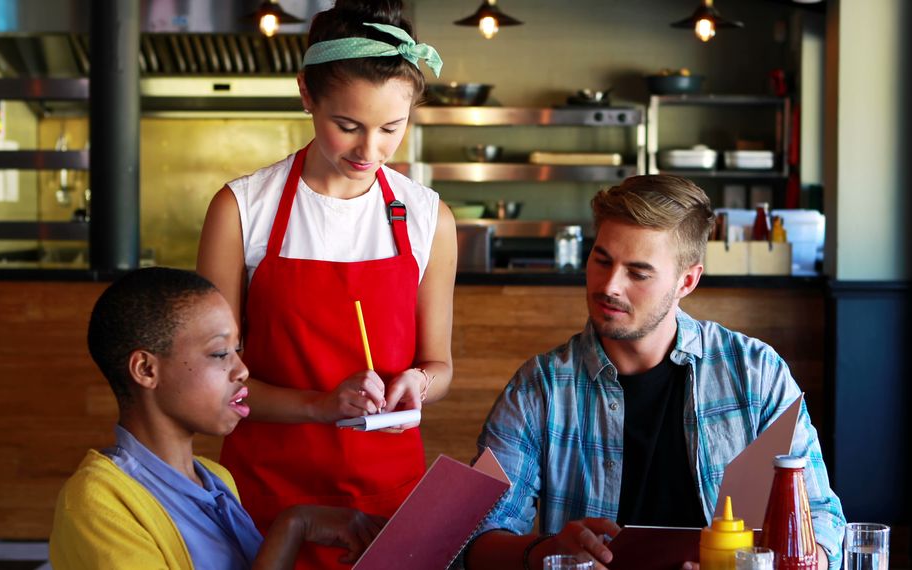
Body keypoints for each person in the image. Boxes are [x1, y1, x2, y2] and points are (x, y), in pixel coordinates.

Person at [465, 175, 846, 570]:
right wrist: (544, 553)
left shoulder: (756, 375)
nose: (610, 284)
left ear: (687, 281)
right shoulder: (538, 388)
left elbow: (821, 519)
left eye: (638, 273)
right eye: (601, 260)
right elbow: (477, 541)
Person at [196, 1, 456, 566]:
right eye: (347, 126)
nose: (370, 152)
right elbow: (212, 381)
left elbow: (440, 367)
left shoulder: (428, 217)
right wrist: (320, 406)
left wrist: (416, 383)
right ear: (307, 95)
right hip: (266, 499)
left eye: (392, 128)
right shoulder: (242, 210)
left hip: (385, 502)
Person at [50, 267, 384, 569]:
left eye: (238, 350)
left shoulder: (216, 478)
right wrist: (292, 528)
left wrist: (300, 522)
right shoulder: (95, 501)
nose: (242, 370)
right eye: (220, 353)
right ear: (147, 369)